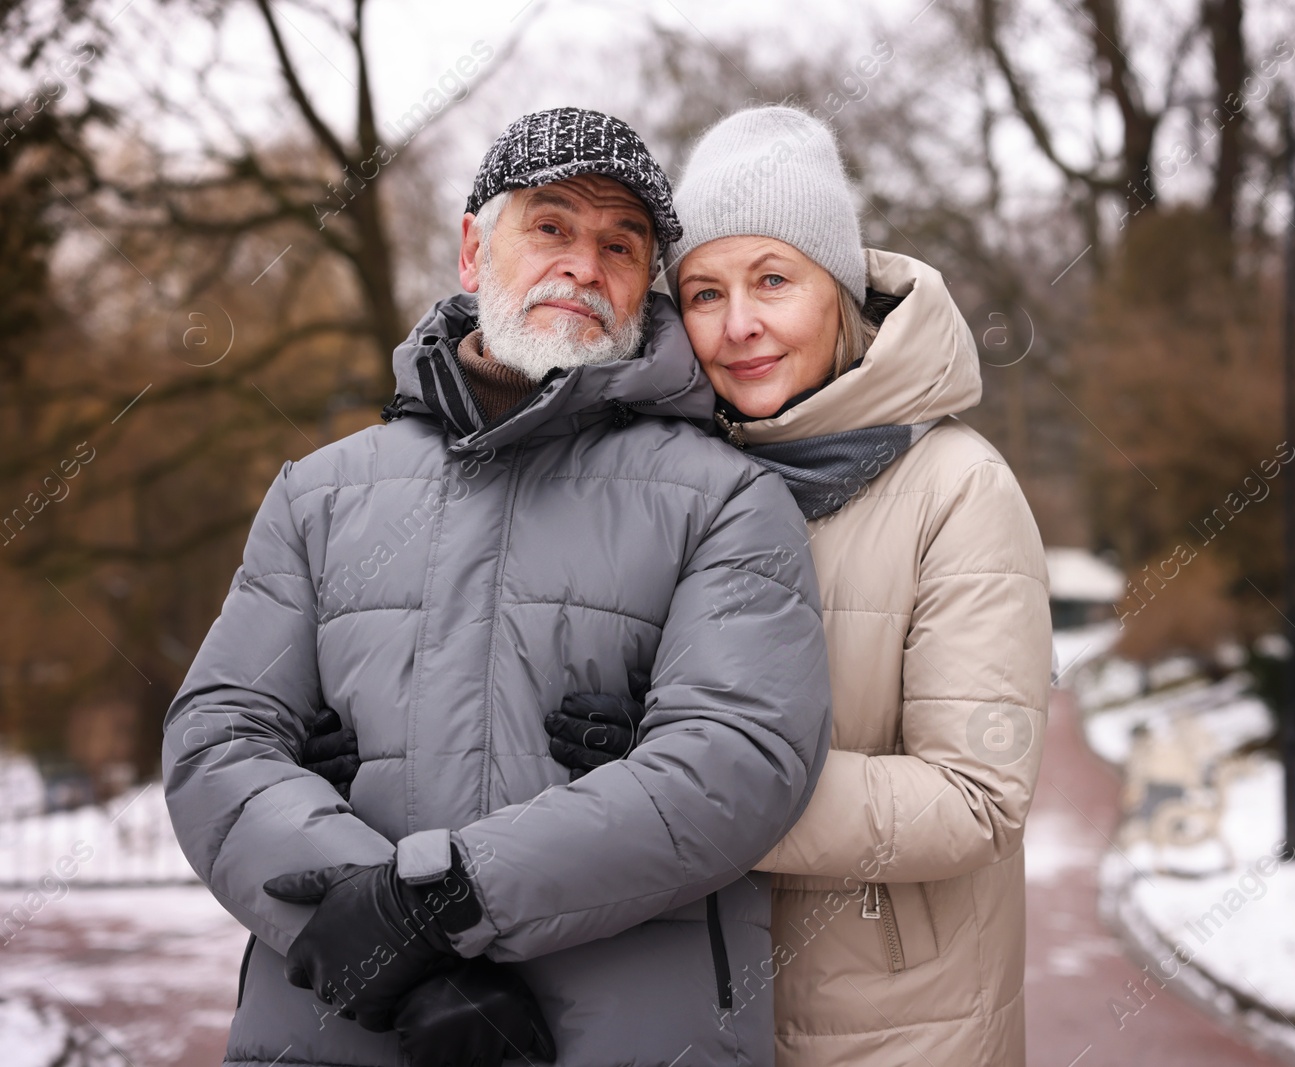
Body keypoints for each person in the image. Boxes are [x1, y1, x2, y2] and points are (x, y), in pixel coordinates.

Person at [161, 107, 831, 1067]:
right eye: (550, 226)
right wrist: (391, 941)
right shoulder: (318, 493)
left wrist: (437, 901)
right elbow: (216, 737)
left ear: (648, 288)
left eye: (621, 244)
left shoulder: (727, 498)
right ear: (475, 251)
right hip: (337, 1025)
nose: (583, 265)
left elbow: (737, 757)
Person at [547, 106, 1052, 1065]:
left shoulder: (958, 488)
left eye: (773, 280)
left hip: (898, 1026)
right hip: (686, 1010)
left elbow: (979, 794)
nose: (739, 326)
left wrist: (701, 785)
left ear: (839, 291)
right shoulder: (663, 482)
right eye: (703, 292)